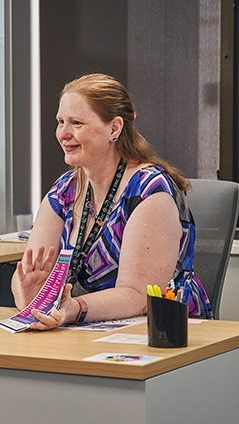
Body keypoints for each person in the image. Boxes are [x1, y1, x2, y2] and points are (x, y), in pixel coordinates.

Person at [12, 73, 211, 330]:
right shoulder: (64, 190)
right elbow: (27, 274)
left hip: (164, 329)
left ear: (114, 128)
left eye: (76, 123)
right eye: (60, 122)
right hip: (86, 326)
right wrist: (29, 296)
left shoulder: (149, 191)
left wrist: (75, 308)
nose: (63, 133)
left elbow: (138, 296)